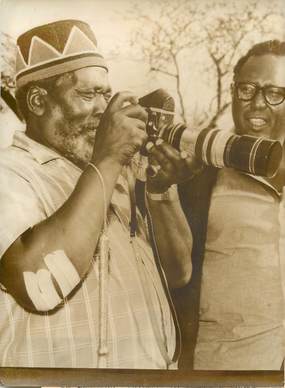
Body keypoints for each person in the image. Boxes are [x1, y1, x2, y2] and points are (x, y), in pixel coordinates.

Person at [0, 19, 194, 369]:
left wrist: (161, 193)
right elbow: (39, 286)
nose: (104, 110)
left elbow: (179, 274)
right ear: (38, 101)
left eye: (106, 94)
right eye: (89, 95)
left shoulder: (112, 176)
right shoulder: (10, 173)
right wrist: (107, 160)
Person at [178, 40, 285, 370]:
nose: (257, 104)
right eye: (247, 90)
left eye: (275, 94)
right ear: (232, 92)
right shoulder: (198, 171)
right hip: (227, 366)